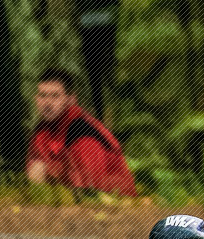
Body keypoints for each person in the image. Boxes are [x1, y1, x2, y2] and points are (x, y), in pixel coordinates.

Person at [27, 68, 137, 196]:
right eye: (43, 95)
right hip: (67, 199)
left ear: (71, 99)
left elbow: (92, 190)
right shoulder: (42, 130)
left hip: (114, 203)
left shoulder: (84, 133)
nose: (47, 103)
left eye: (55, 96)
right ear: (36, 98)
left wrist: (49, 172)